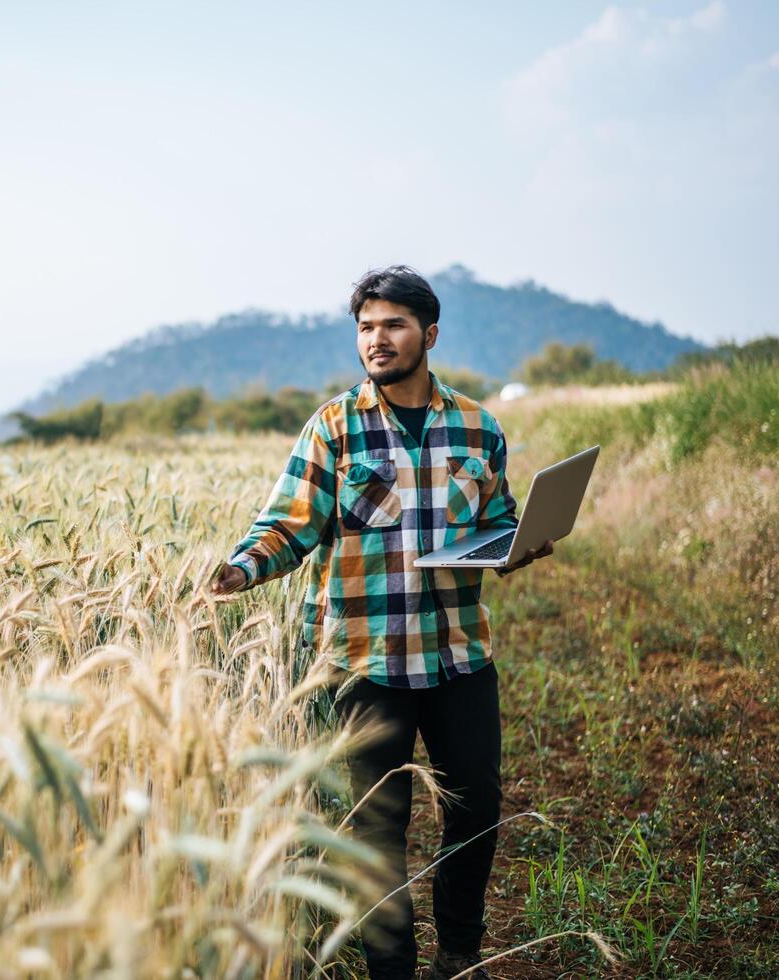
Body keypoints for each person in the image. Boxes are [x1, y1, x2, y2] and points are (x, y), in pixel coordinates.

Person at [209, 265, 553, 980]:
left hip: (457, 654)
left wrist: (522, 543)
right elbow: (287, 523)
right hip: (363, 662)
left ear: (428, 334)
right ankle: (391, 972)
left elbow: (498, 520)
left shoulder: (476, 427)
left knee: (475, 811)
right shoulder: (333, 427)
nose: (376, 339)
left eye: (393, 325)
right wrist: (242, 567)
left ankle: (458, 953)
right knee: (375, 830)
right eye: (365, 327)